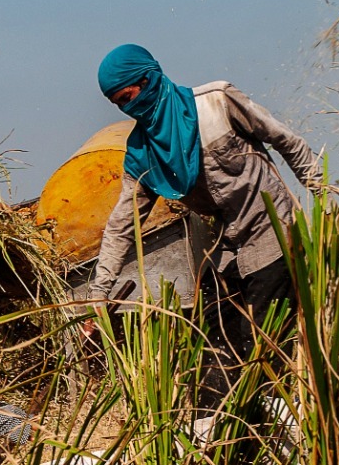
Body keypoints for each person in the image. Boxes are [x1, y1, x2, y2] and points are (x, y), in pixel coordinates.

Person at [89, 43, 318, 382]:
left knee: (263, 350)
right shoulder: (142, 155)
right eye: (119, 104)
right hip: (227, 251)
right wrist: (98, 295)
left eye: (128, 96)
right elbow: (122, 227)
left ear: (149, 79)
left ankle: (275, 420)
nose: (128, 108)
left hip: (273, 237)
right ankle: (221, 426)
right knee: (212, 353)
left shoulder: (216, 103)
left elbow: (286, 140)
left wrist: (325, 193)